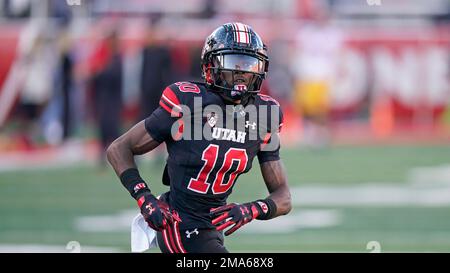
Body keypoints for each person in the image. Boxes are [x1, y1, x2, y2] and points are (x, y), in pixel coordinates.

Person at [107, 22, 291, 253]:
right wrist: (144, 197)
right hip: (177, 221)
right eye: (233, 62)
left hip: (212, 227)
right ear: (211, 65)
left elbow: (283, 197)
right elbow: (118, 149)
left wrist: (251, 210)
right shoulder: (187, 101)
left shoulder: (265, 114)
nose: (242, 72)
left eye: (249, 63)